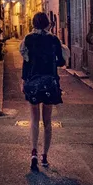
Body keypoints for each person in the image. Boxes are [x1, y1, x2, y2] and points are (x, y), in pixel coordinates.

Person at [20, 11, 65, 172]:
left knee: (34, 119)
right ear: (47, 23)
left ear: (33, 23)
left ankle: (33, 152)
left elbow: (25, 62)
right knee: (47, 122)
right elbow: (61, 62)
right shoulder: (53, 40)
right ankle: (44, 156)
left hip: (32, 82)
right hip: (49, 83)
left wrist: (23, 80)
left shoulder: (28, 39)